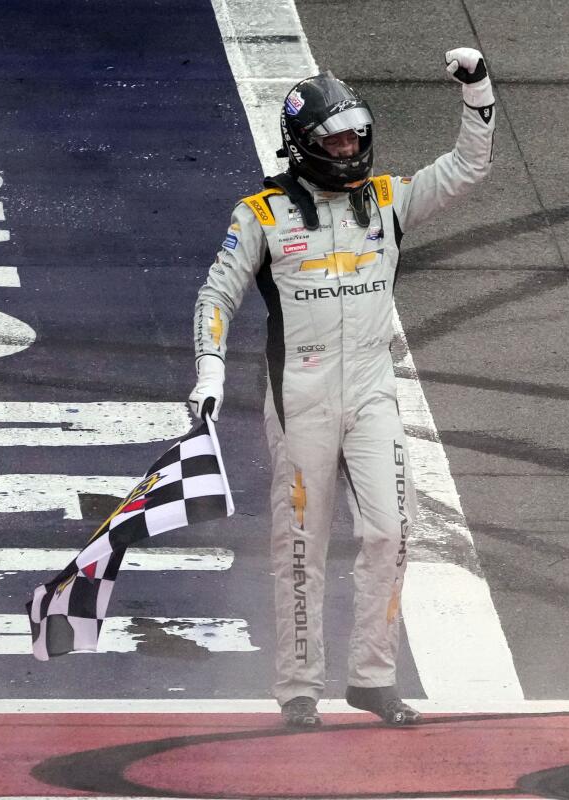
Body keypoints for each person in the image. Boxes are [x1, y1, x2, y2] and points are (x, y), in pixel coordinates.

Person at [187, 48, 495, 727]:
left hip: (372, 392)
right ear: (305, 146)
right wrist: (209, 368)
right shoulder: (262, 214)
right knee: (301, 544)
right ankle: (299, 688)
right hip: (300, 403)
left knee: (391, 531)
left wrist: (477, 91)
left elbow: (469, 165)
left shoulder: (387, 200)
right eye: (335, 139)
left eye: (356, 135)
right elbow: (217, 292)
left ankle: (372, 678)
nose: (349, 147)